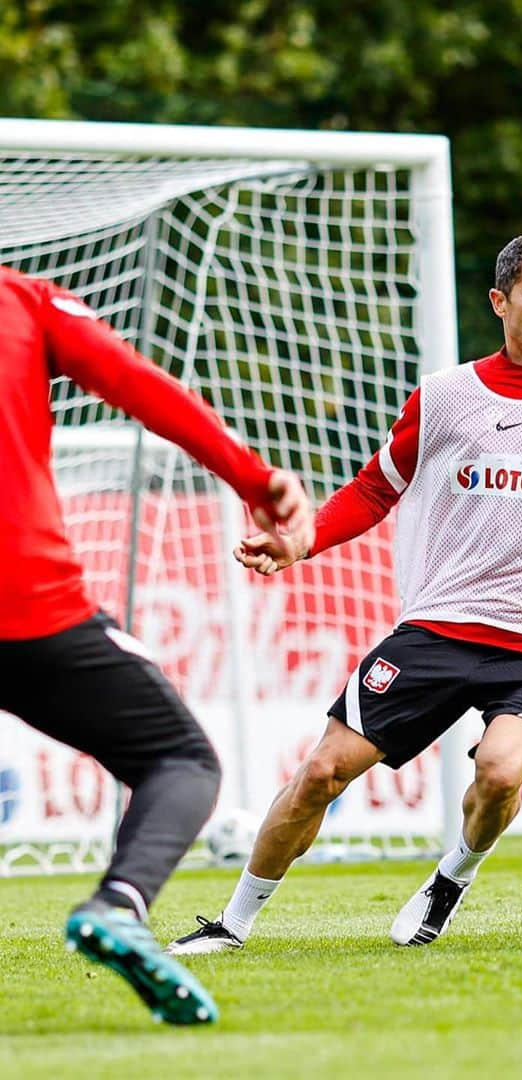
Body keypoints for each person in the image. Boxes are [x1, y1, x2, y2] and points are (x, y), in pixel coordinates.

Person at [166, 232, 522, 954]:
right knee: (321, 772)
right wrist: (299, 541)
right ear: (499, 301)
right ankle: (232, 924)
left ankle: (449, 880)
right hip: (439, 625)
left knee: (499, 772)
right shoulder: (443, 396)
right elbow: (375, 490)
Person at [0, 265, 313, 1021]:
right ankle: (118, 904)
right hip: (26, 604)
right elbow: (139, 385)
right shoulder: (20, 299)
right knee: (180, 760)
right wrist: (254, 478)